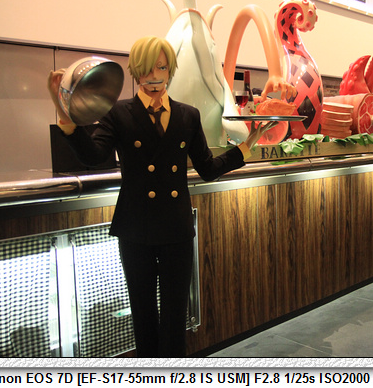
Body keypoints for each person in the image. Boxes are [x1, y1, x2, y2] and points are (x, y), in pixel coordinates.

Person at [47, 36, 276, 357]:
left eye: (162, 67)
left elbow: (207, 168)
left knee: (174, 317)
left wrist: (246, 146)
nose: (154, 76)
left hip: (176, 230)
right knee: (142, 315)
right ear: (135, 73)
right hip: (135, 230)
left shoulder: (188, 115)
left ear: (171, 70)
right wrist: (67, 118)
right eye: (146, 69)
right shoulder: (118, 113)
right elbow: (94, 156)